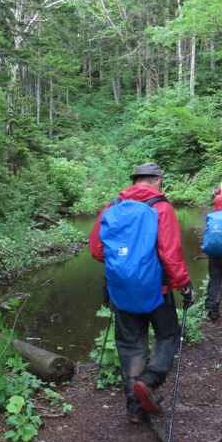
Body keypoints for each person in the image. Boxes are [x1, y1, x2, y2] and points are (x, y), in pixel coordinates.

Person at [89, 162, 194, 424]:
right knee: (167, 334)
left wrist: (125, 267)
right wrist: (184, 285)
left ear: (134, 181)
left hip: (122, 291)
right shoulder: (161, 207)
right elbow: (170, 254)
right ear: (158, 180)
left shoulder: (111, 207)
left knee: (129, 345)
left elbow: (96, 249)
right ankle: (150, 379)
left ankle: (135, 409)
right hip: (157, 290)